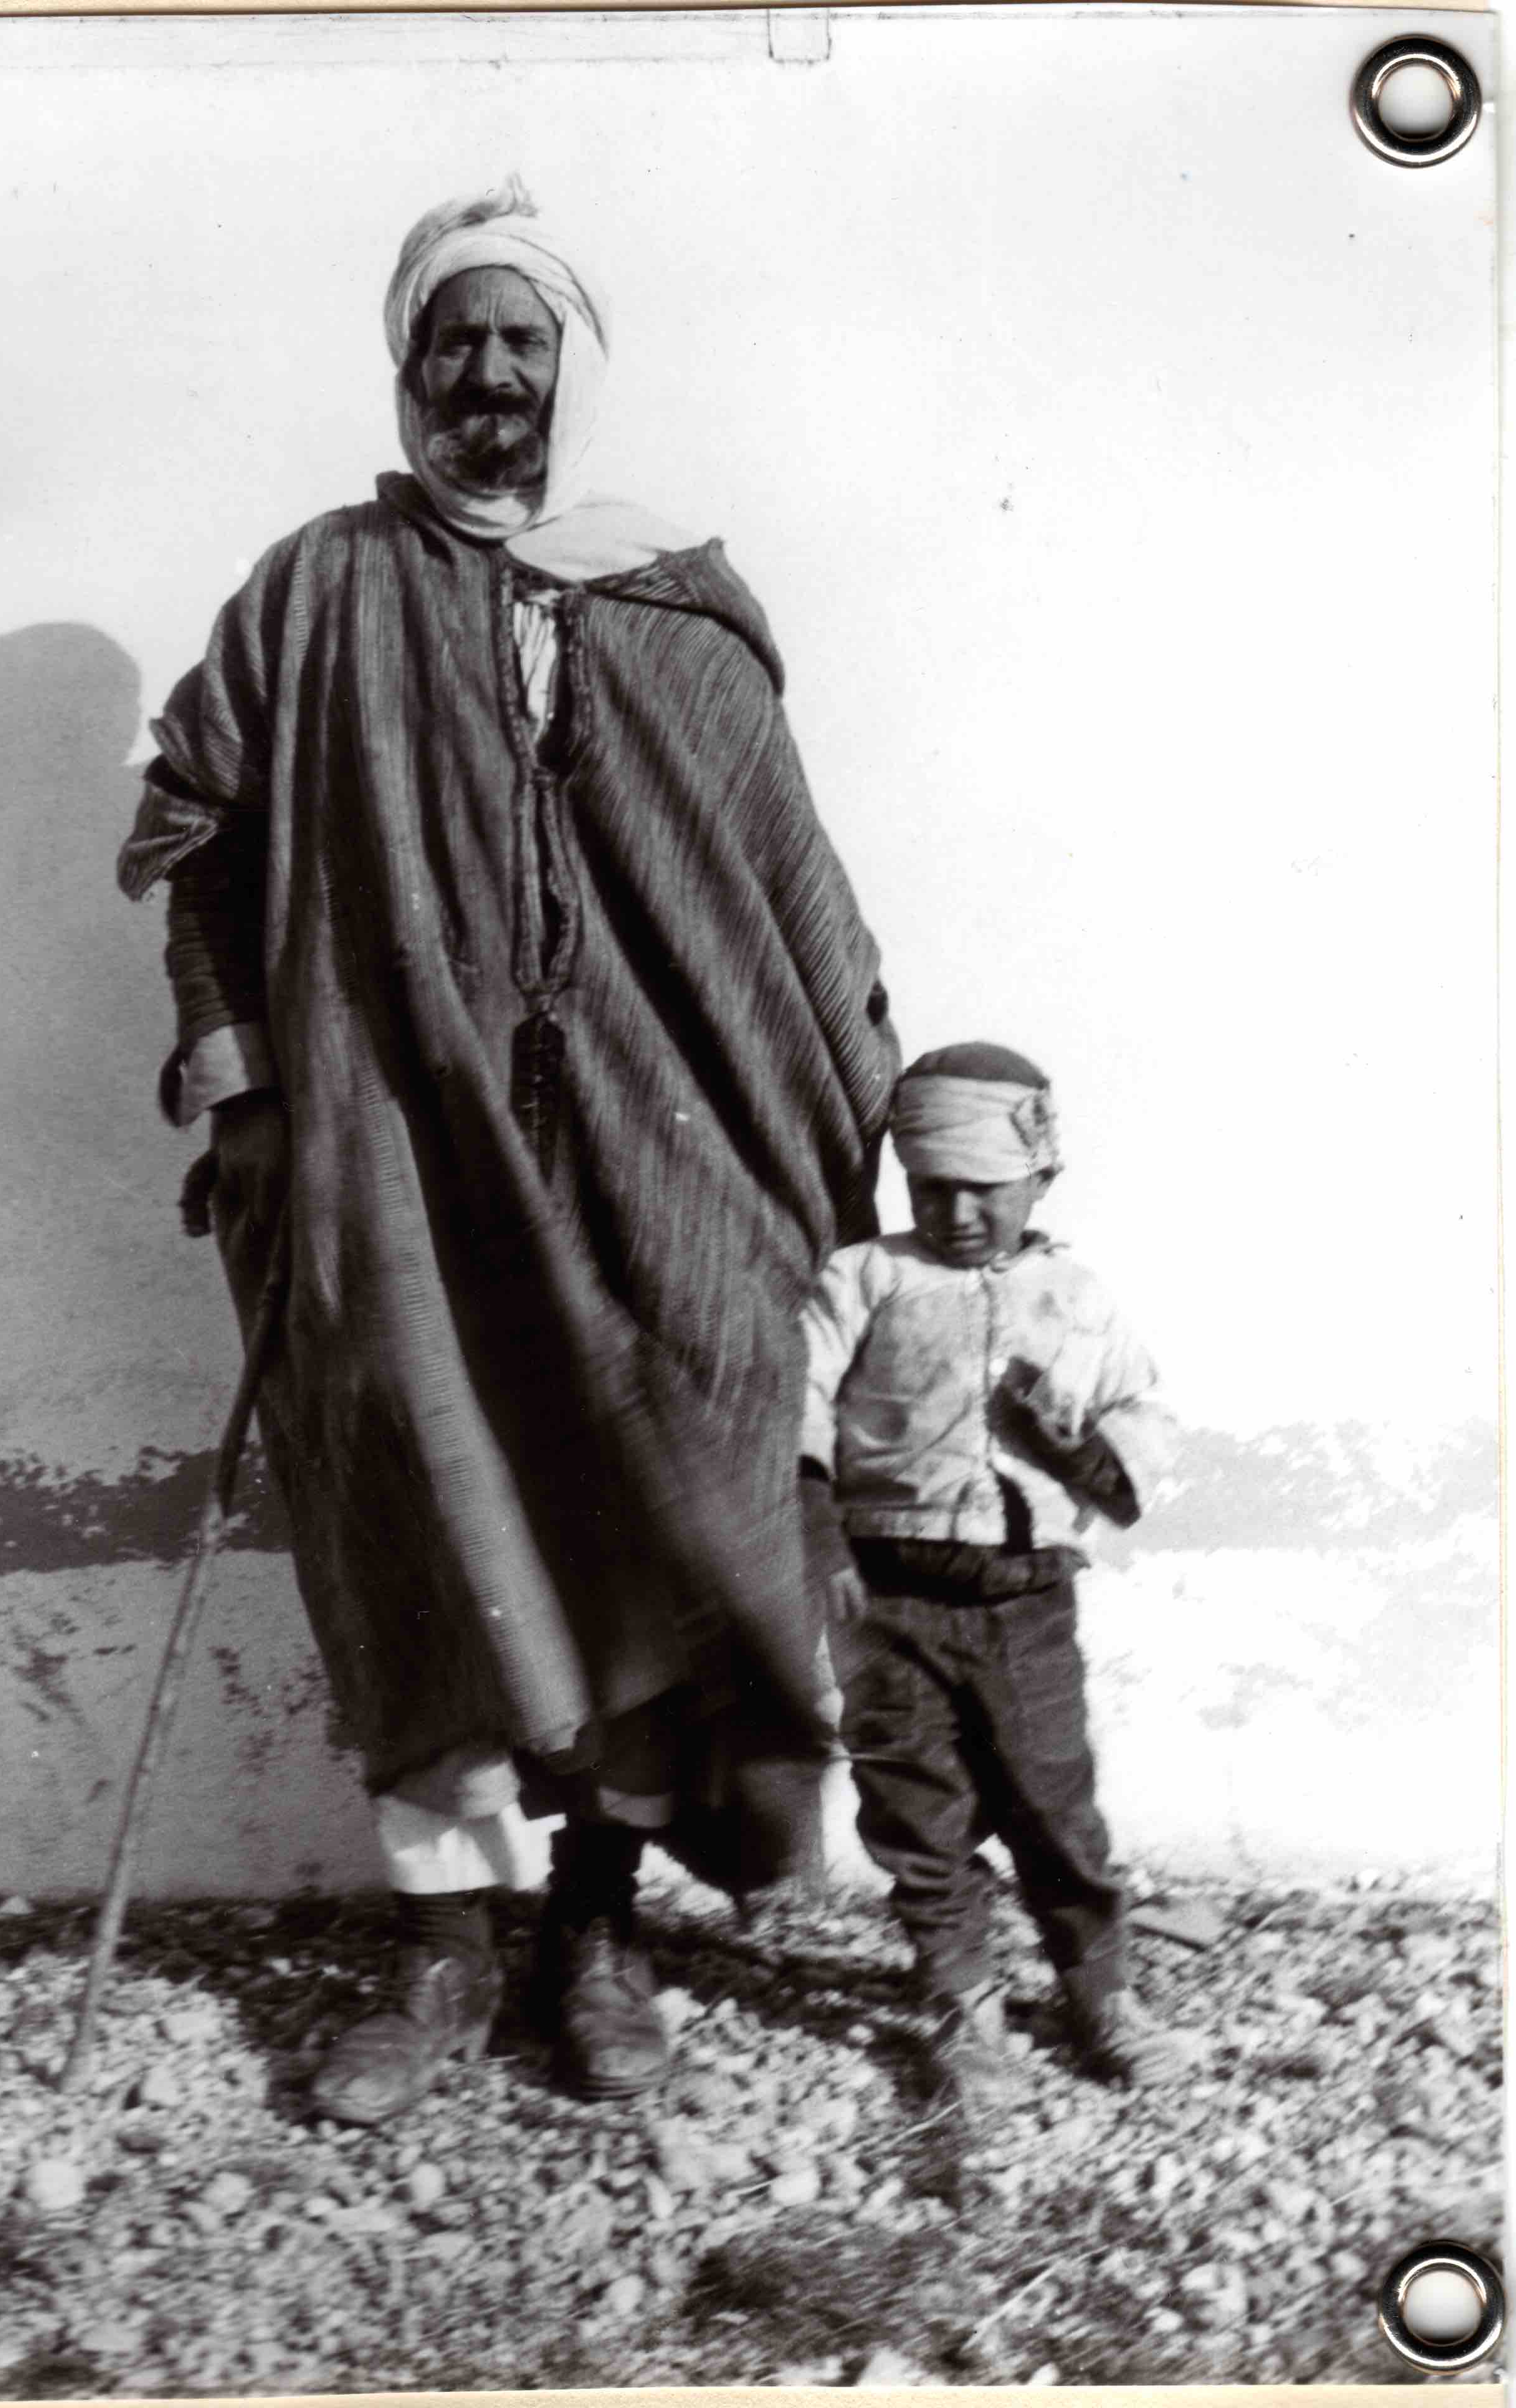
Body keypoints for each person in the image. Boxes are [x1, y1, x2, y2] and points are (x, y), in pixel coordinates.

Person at [117, 179, 898, 2124]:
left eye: (519, 341)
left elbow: (783, 891)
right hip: (393, 1154)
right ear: (406, 369)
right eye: (452, 341)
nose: (486, 376)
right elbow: (202, 856)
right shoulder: (313, 591)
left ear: (573, 371)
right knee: (409, 1501)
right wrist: (253, 1090)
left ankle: (599, 1931)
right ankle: (447, 1946)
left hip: (654, 1151)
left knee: (678, 1471)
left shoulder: (671, 603)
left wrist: (860, 1118)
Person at [797, 1042, 1202, 2121]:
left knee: (1053, 1804)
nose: (960, 1212)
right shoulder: (865, 1278)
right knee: (917, 1811)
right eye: (933, 1188)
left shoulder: (1075, 1296)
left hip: (1026, 1600)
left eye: (985, 1189)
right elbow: (800, 1405)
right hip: (889, 1602)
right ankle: (960, 2001)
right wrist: (821, 1539)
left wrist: (1073, 1447)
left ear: (1041, 1180)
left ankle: (1101, 1995)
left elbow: (1147, 1419)